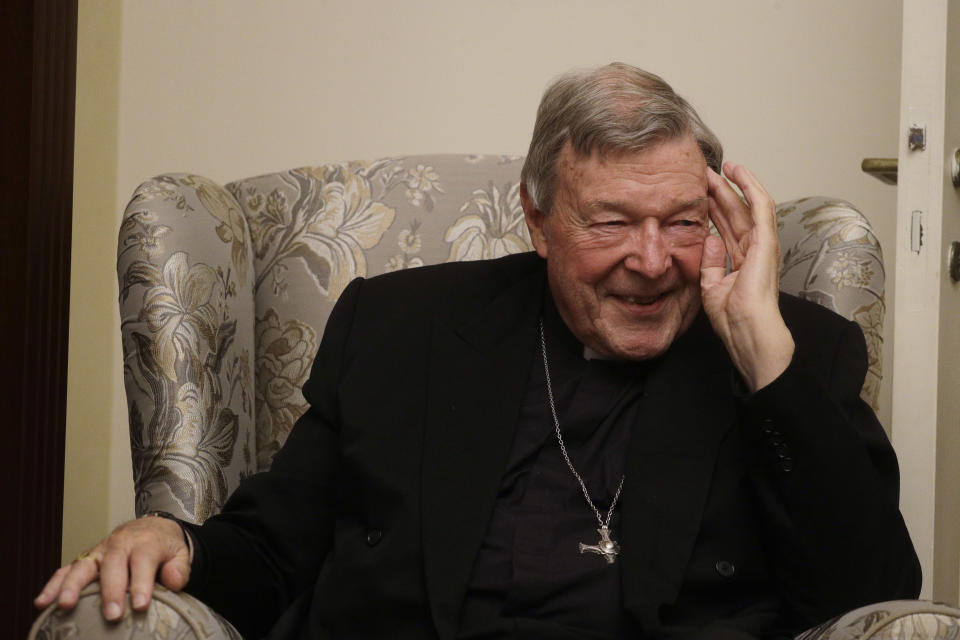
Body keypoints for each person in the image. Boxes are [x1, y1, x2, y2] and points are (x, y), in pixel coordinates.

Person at [37, 62, 920, 639]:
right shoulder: (400, 330)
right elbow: (277, 545)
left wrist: (763, 349)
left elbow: (870, 598)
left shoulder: (795, 354)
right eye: (610, 222)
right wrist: (172, 534)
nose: (653, 263)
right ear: (537, 220)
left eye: (682, 223)